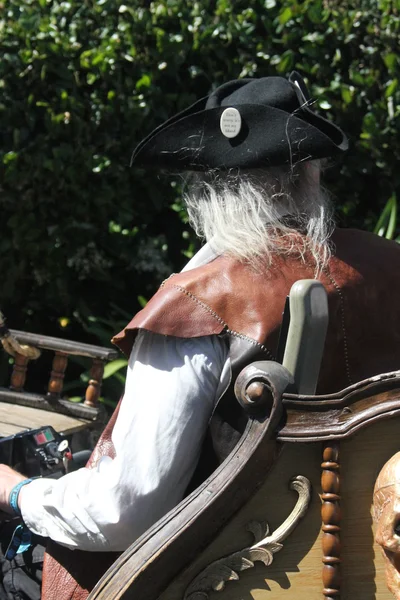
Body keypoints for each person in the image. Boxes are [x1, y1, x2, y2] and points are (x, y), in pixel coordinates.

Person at [1, 71, 400, 600]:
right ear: (311, 171)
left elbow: (123, 511)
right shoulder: (386, 268)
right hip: (367, 568)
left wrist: (20, 491)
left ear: (207, 191)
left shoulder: (198, 306)